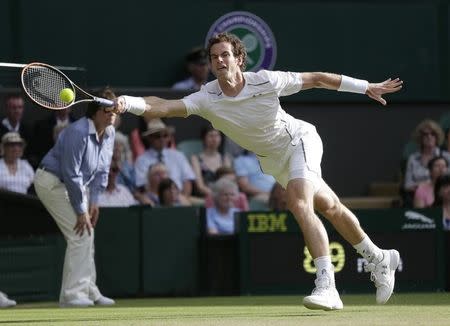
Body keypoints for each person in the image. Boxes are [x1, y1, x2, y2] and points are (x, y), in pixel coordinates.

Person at [115, 32, 403, 310]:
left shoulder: (265, 80)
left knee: (298, 202)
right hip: (274, 161)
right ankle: (378, 257)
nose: (219, 61)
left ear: (239, 59)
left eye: (225, 54)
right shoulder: (206, 98)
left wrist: (365, 86)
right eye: (214, 57)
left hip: (299, 141)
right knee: (330, 207)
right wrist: (128, 102)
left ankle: (327, 286)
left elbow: (316, 79)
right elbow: (163, 107)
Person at [33, 88, 116, 308]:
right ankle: (72, 295)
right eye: (108, 110)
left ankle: (89, 289)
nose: (113, 114)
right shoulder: (77, 132)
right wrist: (81, 211)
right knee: (80, 234)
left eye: (115, 109)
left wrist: (95, 201)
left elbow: (102, 170)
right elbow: (72, 174)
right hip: (51, 183)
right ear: (95, 112)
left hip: (78, 187)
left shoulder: (110, 133)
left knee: (88, 234)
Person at [134, 118, 195, 196]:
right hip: (155, 200)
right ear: (149, 138)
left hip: (179, 198)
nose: (162, 139)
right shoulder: (141, 160)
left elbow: (187, 181)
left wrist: (183, 201)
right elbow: (142, 186)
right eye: (157, 136)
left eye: (165, 135)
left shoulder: (179, 156)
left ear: (169, 137)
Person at [403, 120, 450, 193]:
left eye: (433, 134)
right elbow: (408, 185)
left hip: (441, 196)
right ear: (420, 138)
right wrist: (426, 187)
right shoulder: (413, 158)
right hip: (418, 195)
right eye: (425, 134)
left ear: (437, 137)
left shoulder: (446, 156)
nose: (429, 137)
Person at [191, 124, 231, 196]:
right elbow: (200, 187)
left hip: (224, 197)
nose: (214, 139)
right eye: (211, 136)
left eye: (217, 135)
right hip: (205, 197)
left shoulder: (225, 158)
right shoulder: (196, 159)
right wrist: (216, 196)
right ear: (204, 138)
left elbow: (228, 182)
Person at [0, 94, 32, 160]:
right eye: (13, 107)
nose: (17, 111)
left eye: (20, 107)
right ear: (6, 108)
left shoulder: (28, 130)